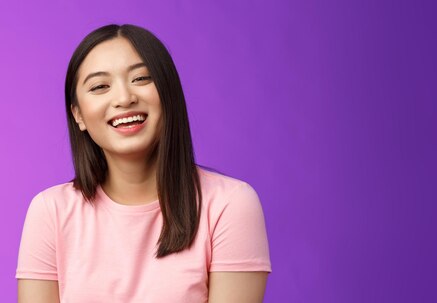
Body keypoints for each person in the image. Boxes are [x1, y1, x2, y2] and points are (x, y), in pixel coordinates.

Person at [16, 24, 271, 302]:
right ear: (78, 115)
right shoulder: (50, 212)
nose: (125, 98)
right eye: (100, 86)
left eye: (141, 78)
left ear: (168, 93)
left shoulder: (228, 204)